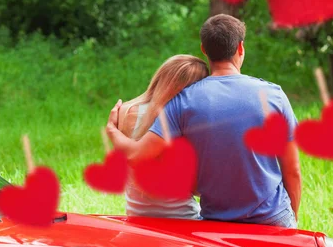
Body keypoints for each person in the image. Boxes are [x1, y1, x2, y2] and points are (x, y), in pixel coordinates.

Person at [107, 14, 302, 228]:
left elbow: (137, 155)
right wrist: (291, 220)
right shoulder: (274, 95)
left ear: (204, 49)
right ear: (240, 48)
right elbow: (292, 170)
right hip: (273, 217)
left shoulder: (182, 101)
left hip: (216, 223)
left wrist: (112, 131)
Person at [118, 55, 208, 220]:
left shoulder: (125, 111)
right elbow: (197, 188)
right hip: (183, 220)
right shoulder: (187, 123)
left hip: (136, 216)